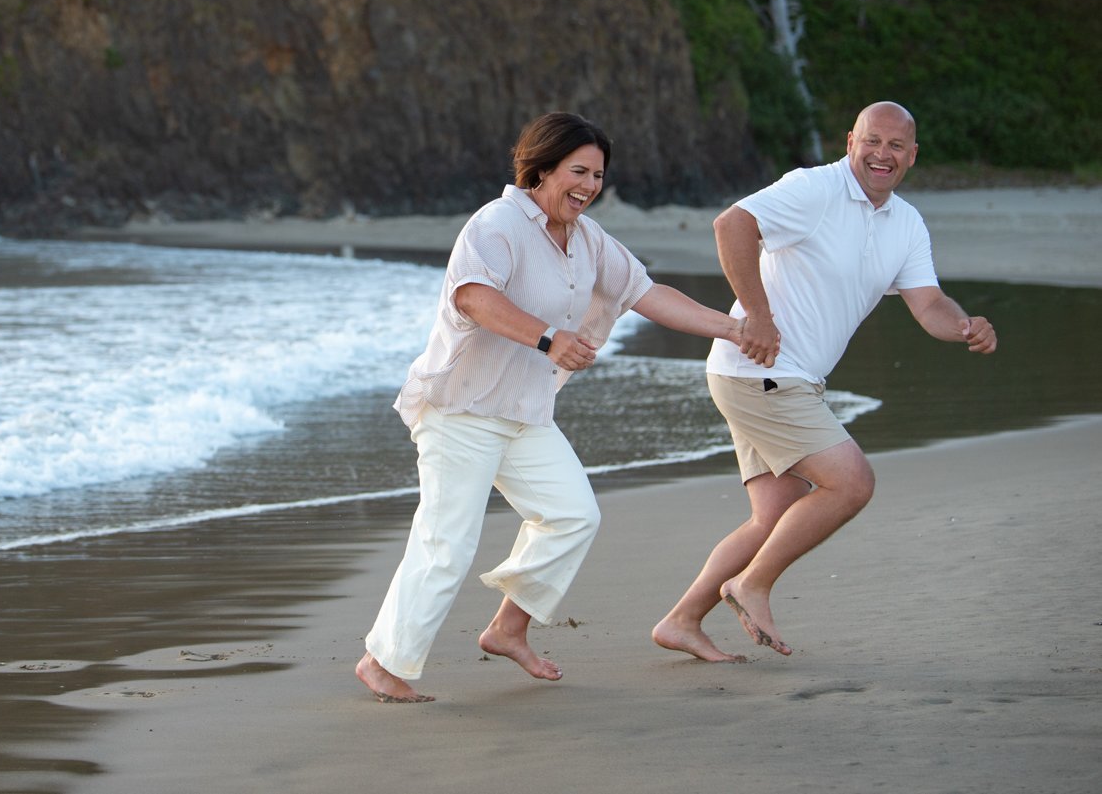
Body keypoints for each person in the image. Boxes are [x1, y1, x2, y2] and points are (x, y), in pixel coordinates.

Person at [355, 111, 748, 703]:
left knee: (572, 516)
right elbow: (473, 297)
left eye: (597, 175)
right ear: (541, 169)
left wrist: (734, 328)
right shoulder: (497, 224)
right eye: (578, 171)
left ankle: (508, 629)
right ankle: (383, 663)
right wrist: (548, 337)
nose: (589, 186)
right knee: (447, 544)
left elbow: (645, 293)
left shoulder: (587, 239)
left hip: (525, 411)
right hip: (461, 408)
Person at [651, 100, 998, 663]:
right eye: (872, 141)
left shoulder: (906, 223)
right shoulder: (815, 189)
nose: (882, 154)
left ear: (913, 155)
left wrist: (963, 326)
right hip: (759, 370)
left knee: (774, 515)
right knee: (851, 482)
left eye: (895, 146)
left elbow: (928, 302)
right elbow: (732, 224)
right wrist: (757, 317)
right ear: (850, 141)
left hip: (787, 380)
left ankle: (683, 620)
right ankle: (751, 585)